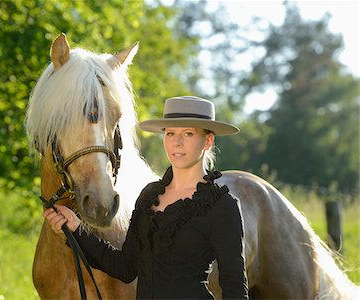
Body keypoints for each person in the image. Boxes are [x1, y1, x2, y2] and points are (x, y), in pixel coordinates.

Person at [44, 96, 249, 299]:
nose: (177, 143)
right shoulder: (149, 196)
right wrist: (76, 228)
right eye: (170, 133)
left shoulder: (221, 206)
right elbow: (125, 268)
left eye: (188, 134)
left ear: (208, 141)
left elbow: (235, 289)